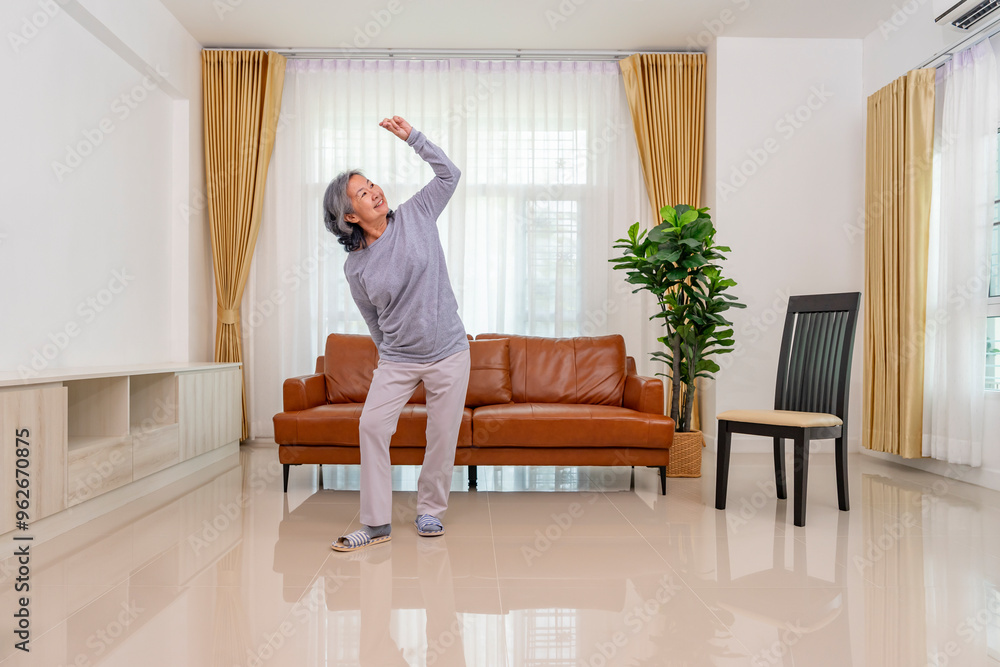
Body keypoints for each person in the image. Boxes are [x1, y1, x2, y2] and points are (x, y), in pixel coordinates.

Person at [323, 116, 471, 552]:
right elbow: (372, 319)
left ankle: (429, 511)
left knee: (442, 434)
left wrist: (414, 139)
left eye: (372, 184)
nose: (375, 192)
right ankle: (375, 524)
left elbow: (450, 174)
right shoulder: (356, 267)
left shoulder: (417, 214)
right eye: (363, 193)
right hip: (399, 358)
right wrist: (392, 354)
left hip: (449, 351)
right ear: (350, 215)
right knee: (371, 426)